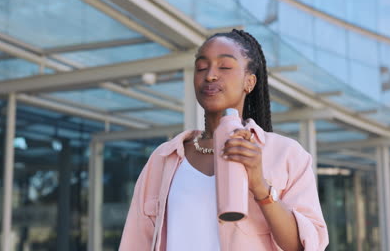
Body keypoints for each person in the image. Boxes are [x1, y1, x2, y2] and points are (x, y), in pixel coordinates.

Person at [119, 29, 328, 251]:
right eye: (201, 67)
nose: (210, 75)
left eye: (225, 67)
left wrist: (260, 186)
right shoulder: (163, 159)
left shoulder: (286, 154)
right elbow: (136, 242)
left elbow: (305, 245)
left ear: (249, 81)